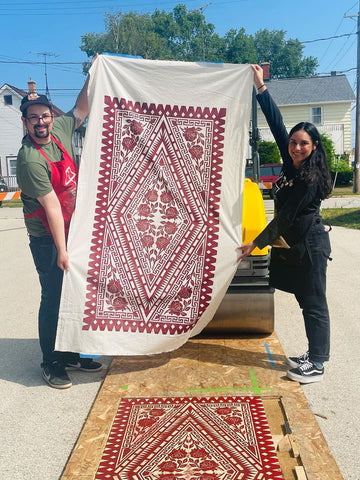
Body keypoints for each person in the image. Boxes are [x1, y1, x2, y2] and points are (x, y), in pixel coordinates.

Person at [237, 64, 332, 384]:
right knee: (307, 300)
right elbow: (278, 126)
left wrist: (256, 242)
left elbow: (287, 216)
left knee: (315, 301)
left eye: (303, 143)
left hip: (311, 244)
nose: (296, 147)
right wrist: (261, 88)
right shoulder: (293, 166)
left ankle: (317, 363)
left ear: (314, 146)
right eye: (294, 143)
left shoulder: (311, 176)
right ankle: (314, 352)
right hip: (298, 243)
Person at [17, 62, 102, 389]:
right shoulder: (29, 159)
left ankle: (72, 352)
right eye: (33, 117)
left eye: (44, 115)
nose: (40, 122)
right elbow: (51, 205)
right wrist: (62, 251)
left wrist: (93, 74)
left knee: (76, 292)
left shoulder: (63, 130)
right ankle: (51, 362)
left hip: (72, 228)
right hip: (47, 237)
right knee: (53, 296)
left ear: (52, 116)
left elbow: (82, 106)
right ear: (25, 122)